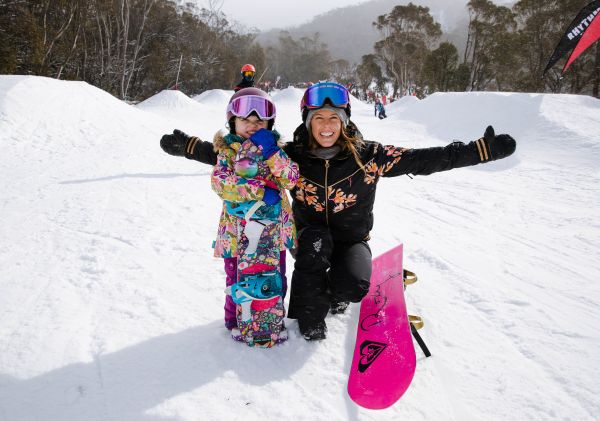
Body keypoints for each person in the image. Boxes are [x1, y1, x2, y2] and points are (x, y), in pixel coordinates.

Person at [160, 82, 516, 341]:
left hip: (350, 241)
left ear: (344, 120)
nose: (327, 125)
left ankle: (337, 289)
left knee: (353, 286)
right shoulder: (293, 154)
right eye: (319, 118)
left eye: (334, 117)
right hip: (310, 241)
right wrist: (189, 146)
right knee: (313, 258)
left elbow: (424, 160)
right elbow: (240, 156)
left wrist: (478, 151)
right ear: (308, 121)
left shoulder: (368, 155)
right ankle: (309, 311)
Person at [161, 87, 299, 337]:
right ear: (232, 122)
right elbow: (221, 184)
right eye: (245, 120)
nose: (253, 125)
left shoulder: (277, 151)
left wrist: (272, 154)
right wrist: (257, 190)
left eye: (260, 121)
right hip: (237, 234)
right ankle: (234, 321)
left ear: (270, 123)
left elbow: (291, 179)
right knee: (235, 276)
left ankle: (271, 316)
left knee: (276, 274)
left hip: (274, 232)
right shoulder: (226, 154)